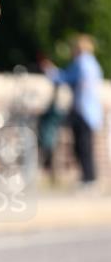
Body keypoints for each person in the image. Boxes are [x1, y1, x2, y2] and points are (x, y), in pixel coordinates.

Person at [39, 35, 104, 186]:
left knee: (82, 146)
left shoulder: (81, 62)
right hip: (92, 110)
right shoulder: (93, 63)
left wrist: (50, 71)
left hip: (83, 110)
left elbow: (65, 78)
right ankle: (90, 178)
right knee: (86, 146)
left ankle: (88, 180)